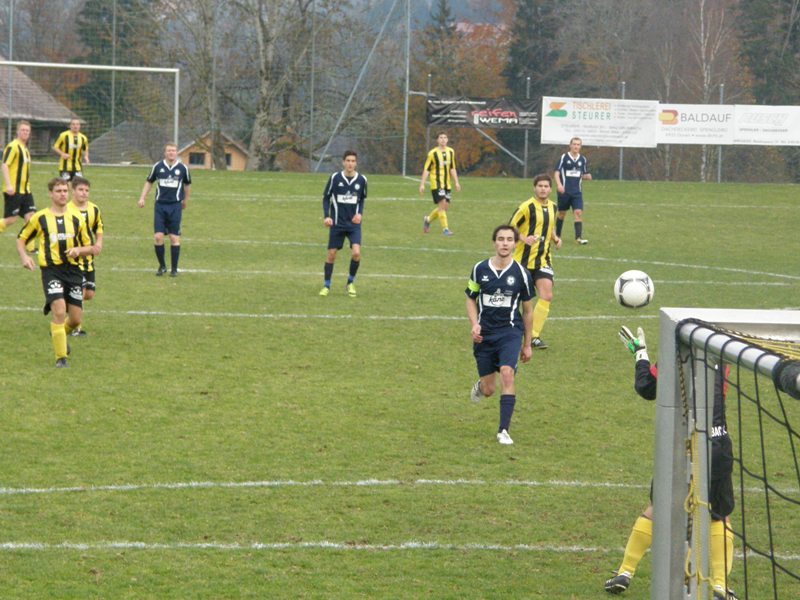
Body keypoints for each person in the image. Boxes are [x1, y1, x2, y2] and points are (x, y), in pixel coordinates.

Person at [605, 326, 737, 600]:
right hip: (717, 444)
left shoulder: (674, 357)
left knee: (658, 508)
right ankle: (720, 587)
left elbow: (646, 388)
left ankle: (625, 571)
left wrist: (640, 354)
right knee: (719, 514)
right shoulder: (721, 357)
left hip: (681, 444)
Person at [16, 178, 96, 368]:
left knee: (75, 320)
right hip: (51, 271)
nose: (62, 194)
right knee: (59, 310)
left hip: (74, 271)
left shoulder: (77, 218)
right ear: (50, 194)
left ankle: (58, 333)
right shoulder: (40, 218)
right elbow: (21, 238)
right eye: (58, 191)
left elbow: (91, 247)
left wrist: (78, 250)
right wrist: (24, 257)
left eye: (64, 191)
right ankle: (61, 358)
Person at [465, 224, 533, 445]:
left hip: (510, 332)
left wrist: (527, 344)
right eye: (501, 239)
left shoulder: (522, 274)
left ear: (515, 244)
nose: (505, 243)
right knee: (489, 390)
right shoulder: (479, 269)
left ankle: (503, 430)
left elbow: (528, 311)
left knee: (507, 373)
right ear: (494, 242)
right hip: (485, 335)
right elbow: (470, 298)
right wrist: (475, 324)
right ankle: (481, 385)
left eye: (509, 239)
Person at [509, 173, 562, 350]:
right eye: (540, 186)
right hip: (521, 262)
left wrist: (555, 238)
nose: (543, 189)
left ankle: (533, 335)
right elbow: (510, 226)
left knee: (547, 295)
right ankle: (508, 330)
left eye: (546, 186)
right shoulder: (527, 207)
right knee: (515, 300)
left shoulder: (553, 207)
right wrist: (524, 239)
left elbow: (549, 226)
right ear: (534, 188)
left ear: (550, 189)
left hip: (543, 261)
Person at [137, 143, 191, 277]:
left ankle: (174, 269)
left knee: (174, 237)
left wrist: (185, 201)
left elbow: (187, 185)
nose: (171, 153)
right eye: (169, 151)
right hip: (160, 206)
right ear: (165, 153)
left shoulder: (183, 168)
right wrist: (142, 197)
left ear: (176, 153)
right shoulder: (157, 166)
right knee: (158, 236)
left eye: (173, 150)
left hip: (175, 206)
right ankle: (162, 266)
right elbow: (149, 181)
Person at [319, 150, 367, 298]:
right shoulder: (335, 178)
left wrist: (360, 214)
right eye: (348, 161)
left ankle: (350, 283)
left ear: (356, 163)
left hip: (353, 225)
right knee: (331, 254)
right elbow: (326, 198)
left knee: (356, 253)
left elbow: (361, 199)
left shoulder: (362, 180)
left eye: (353, 161)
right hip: (337, 223)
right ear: (343, 162)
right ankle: (326, 285)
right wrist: (327, 216)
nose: (350, 164)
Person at [68, 176, 104, 336]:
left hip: (88, 258)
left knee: (89, 294)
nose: (84, 193)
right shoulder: (66, 210)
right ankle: (75, 327)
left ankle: (65, 302)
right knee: (80, 292)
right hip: (73, 259)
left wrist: (99, 243)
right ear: (73, 191)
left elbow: (99, 227)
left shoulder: (94, 209)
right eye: (81, 190)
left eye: (86, 190)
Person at [419, 131, 460, 236]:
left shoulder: (451, 152)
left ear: (447, 140)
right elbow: (426, 169)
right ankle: (445, 230)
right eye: (441, 137)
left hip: (447, 184)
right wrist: (422, 184)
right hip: (436, 183)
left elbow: (452, 168)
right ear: (437, 140)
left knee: (444, 207)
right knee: (441, 206)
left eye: (445, 137)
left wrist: (456, 182)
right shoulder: (432, 153)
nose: (443, 139)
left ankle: (428, 219)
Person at [1, 120, 36, 238]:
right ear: (17, 131)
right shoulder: (13, 146)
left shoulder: (25, 149)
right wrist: (8, 185)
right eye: (23, 130)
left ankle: (28, 245)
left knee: (31, 217)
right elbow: (5, 165)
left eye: (27, 131)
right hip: (14, 190)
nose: (25, 132)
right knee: (11, 219)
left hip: (26, 191)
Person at [553, 136, 591, 245]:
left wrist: (587, 176)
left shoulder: (583, 159)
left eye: (578, 144)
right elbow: (556, 172)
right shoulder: (564, 157)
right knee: (562, 214)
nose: (576, 146)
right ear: (570, 145)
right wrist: (559, 185)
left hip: (577, 192)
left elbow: (582, 174)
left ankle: (578, 238)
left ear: (580, 146)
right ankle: (557, 236)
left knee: (578, 213)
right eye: (574, 144)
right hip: (564, 192)